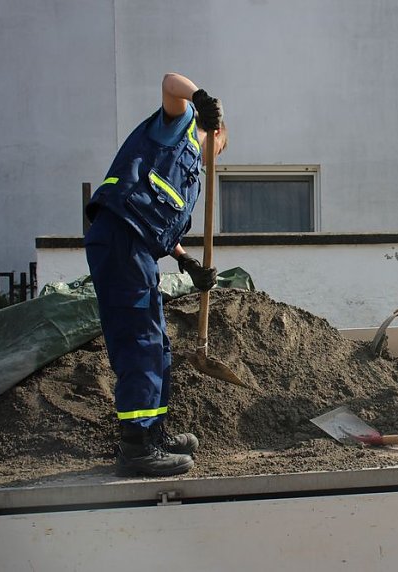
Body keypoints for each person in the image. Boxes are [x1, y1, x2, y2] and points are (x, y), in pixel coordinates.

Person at [84, 73, 226, 476]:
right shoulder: (176, 128)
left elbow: (160, 230)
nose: (213, 157)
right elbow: (169, 82)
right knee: (141, 341)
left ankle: (153, 434)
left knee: (158, 345)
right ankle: (136, 449)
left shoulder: (190, 176)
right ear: (213, 133)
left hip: (137, 248)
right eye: (217, 147)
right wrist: (199, 96)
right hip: (119, 239)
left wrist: (186, 262)